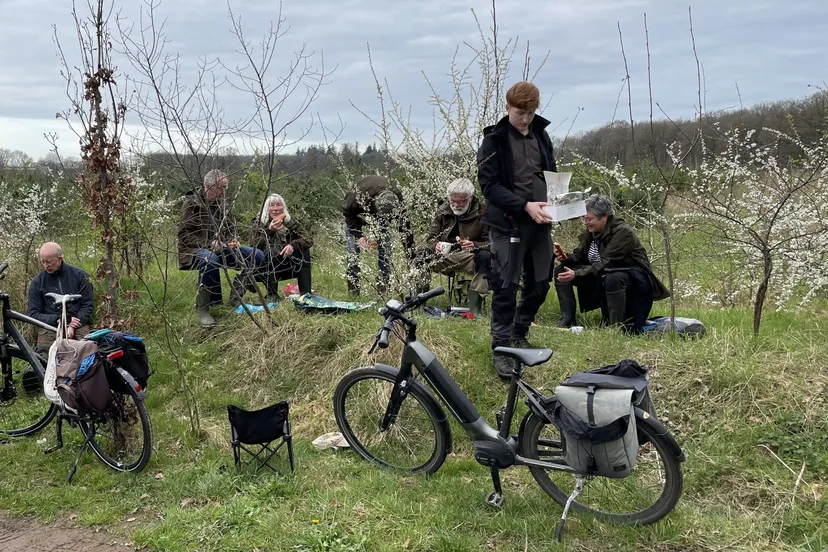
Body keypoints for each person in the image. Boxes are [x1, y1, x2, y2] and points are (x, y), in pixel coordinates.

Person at [477, 81, 557, 379]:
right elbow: (489, 186)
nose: (525, 119)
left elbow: (551, 174)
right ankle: (501, 349)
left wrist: (558, 203)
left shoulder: (542, 135)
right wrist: (524, 206)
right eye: (520, 113)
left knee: (540, 283)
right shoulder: (493, 141)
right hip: (507, 223)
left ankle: (519, 332)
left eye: (530, 113)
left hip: (540, 222)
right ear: (507, 108)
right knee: (505, 286)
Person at [553, 194, 670, 332]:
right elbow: (581, 255)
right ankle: (568, 320)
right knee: (561, 269)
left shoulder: (623, 232)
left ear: (604, 217)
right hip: (605, 274)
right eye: (584, 218)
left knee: (612, 277)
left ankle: (616, 327)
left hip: (635, 281)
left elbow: (606, 262)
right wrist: (566, 257)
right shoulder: (594, 230)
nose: (585, 222)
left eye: (589, 219)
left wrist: (576, 274)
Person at [178, 169, 265, 327]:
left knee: (256, 255)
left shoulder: (222, 204)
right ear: (208, 186)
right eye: (221, 187)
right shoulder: (191, 204)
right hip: (193, 251)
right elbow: (184, 235)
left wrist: (232, 239)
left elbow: (230, 228)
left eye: (226, 187)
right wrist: (209, 244)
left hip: (221, 248)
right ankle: (203, 309)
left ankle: (236, 298)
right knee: (209, 258)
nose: (224, 191)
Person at [421, 178, 490, 315]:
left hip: (471, 257)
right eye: (453, 201)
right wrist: (436, 245)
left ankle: (474, 308)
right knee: (421, 253)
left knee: (486, 258)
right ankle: (419, 300)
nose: (456, 205)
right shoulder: (443, 211)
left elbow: (492, 243)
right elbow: (431, 238)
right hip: (444, 256)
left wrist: (475, 245)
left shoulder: (483, 212)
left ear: (470, 198)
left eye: (461, 201)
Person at [232, 194, 313, 303]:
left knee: (305, 251)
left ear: (283, 207)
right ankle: (272, 295)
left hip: (288, 265)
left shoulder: (290, 221)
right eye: (272, 205)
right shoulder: (259, 222)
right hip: (263, 268)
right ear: (267, 208)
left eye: (278, 205)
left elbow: (308, 239)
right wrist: (269, 231)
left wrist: (293, 245)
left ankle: (306, 295)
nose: (275, 208)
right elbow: (254, 246)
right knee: (271, 252)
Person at [343, 175, 415, 295]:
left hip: (382, 219)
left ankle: (383, 289)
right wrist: (359, 236)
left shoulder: (397, 198)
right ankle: (353, 291)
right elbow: (348, 214)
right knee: (353, 252)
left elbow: (405, 227)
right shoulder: (357, 195)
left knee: (385, 250)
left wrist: (411, 255)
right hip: (356, 216)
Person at [28, 242, 94, 353]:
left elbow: (87, 305)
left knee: (88, 350)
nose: (46, 265)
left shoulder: (80, 276)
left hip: (78, 323)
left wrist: (72, 325)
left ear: (60, 259)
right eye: (43, 262)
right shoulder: (37, 282)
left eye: (49, 261)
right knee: (45, 356)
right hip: (50, 327)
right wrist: (58, 320)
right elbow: (33, 314)